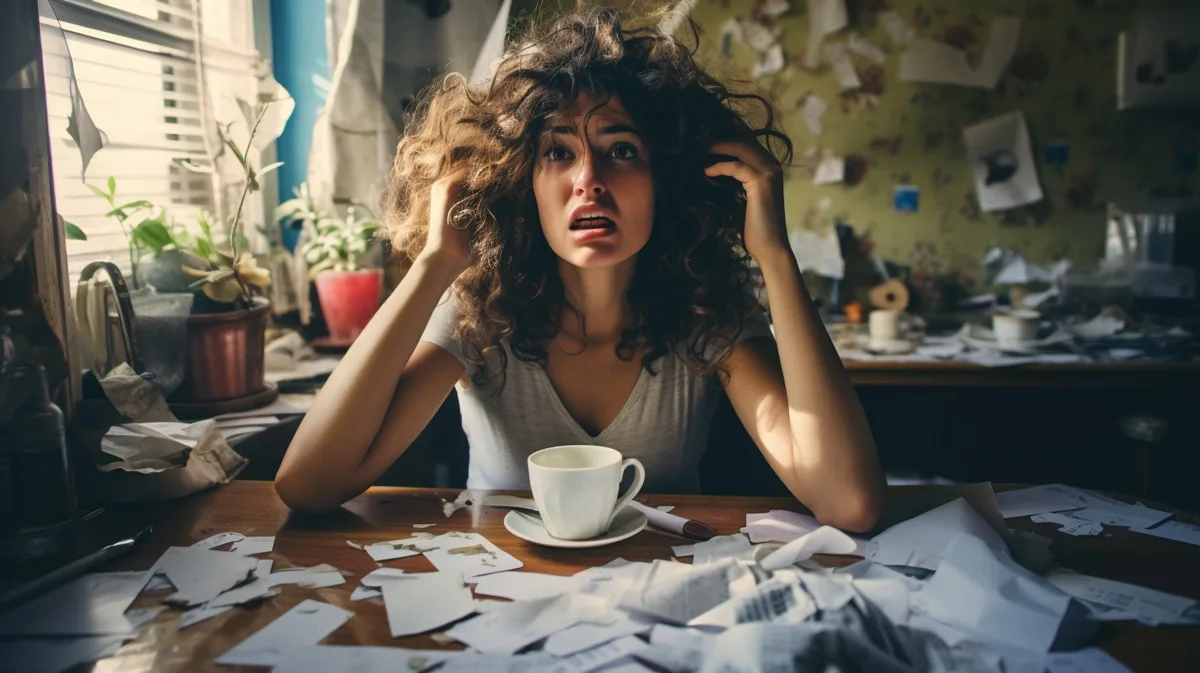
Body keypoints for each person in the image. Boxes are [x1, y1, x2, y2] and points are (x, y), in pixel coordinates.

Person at [276, 7, 885, 532]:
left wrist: (775, 256)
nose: (588, 181)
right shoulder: (480, 319)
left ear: (665, 181)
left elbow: (849, 503)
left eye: (621, 150)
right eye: (558, 153)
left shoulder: (706, 316)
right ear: (524, 184)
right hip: (501, 597)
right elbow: (307, 485)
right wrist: (436, 263)